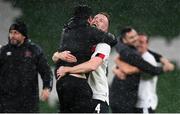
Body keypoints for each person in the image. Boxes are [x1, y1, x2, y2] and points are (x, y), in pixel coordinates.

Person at [54, 5, 117, 113]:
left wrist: (68, 70)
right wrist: (57, 55)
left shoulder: (103, 45)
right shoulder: (83, 40)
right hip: (81, 92)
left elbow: (92, 65)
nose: (96, 21)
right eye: (95, 18)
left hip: (98, 97)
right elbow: (58, 55)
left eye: (101, 20)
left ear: (105, 30)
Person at [109, 27, 170, 113]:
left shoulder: (123, 44)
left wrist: (160, 58)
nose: (135, 39)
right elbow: (150, 70)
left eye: (135, 36)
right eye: (131, 38)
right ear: (125, 40)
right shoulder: (130, 53)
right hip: (123, 101)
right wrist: (164, 68)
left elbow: (127, 68)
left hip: (133, 101)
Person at [0, 21, 53, 113]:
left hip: (28, 103)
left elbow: (46, 72)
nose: (12, 35)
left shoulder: (34, 50)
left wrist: (47, 87)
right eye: (11, 32)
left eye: (16, 33)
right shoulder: (3, 51)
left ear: (24, 36)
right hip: (6, 103)